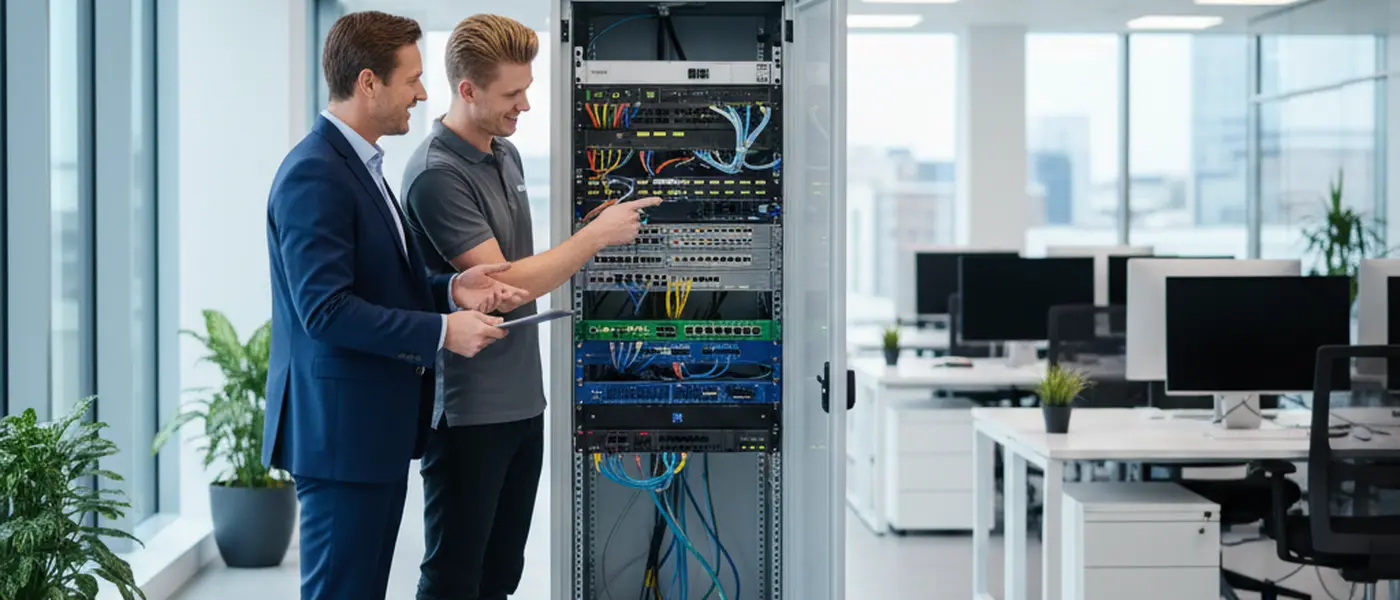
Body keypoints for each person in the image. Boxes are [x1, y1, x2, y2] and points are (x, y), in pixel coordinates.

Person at [263, 10, 529, 600]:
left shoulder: (360, 165)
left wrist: (453, 290)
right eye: (411, 78)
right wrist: (442, 331)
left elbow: (375, 286)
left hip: (367, 434)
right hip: (341, 436)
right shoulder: (315, 174)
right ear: (367, 82)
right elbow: (327, 311)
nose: (423, 92)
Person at [400, 13, 662, 600]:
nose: (525, 105)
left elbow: (518, 259)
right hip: (470, 412)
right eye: (511, 94)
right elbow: (509, 283)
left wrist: (584, 232)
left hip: (522, 401)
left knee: (500, 576)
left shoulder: (504, 152)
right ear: (467, 90)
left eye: (526, 89)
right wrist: (592, 240)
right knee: (454, 577)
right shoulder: (437, 175)